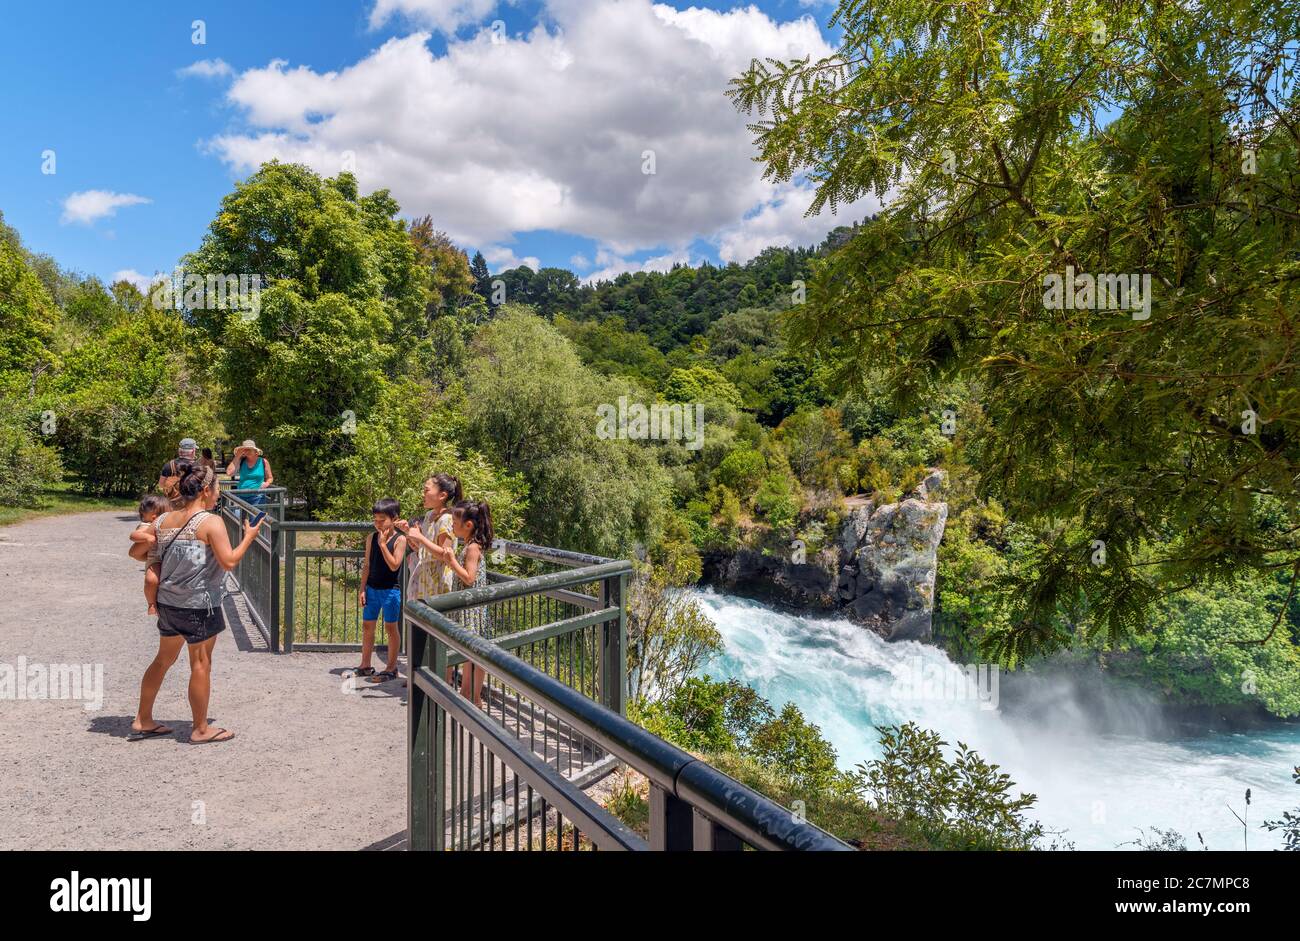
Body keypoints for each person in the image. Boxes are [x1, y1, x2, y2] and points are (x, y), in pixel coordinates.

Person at [127, 461, 265, 744]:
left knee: (163, 660)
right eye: (216, 488)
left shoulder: (163, 520)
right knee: (201, 663)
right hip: (200, 606)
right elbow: (228, 562)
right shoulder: (211, 522)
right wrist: (250, 536)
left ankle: (143, 719)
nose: (218, 493)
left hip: (168, 603)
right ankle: (201, 728)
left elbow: (137, 552)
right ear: (205, 490)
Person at [425, 499, 493, 705]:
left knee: (472, 651)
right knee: (470, 651)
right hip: (468, 605)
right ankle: (469, 694)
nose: (452, 526)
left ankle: (472, 696)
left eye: (455, 523)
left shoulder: (472, 548)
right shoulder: (470, 545)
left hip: (472, 608)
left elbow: (469, 578)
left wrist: (451, 561)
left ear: (468, 525)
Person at [355, 497, 407, 684]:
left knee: (390, 627)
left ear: (394, 518)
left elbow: (394, 565)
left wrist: (384, 545)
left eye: (382, 520)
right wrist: (362, 588)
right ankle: (365, 665)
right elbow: (367, 565)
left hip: (390, 591)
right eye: (375, 520)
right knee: (368, 625)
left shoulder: (400, 539)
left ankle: (392, 667)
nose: (378, 523)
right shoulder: (371, 537)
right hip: (372, 588)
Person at [128, 494, 171, 615]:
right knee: (151, 579)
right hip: (155, 559)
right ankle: (151, 603)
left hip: (168, 557)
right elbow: (133, 536)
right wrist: (147, 536)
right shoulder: (145, 526)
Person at [226, 439, 273, 515]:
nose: (246, 451)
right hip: (241, 496)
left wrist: (266, 483)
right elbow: (229, 473)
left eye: (249, 449)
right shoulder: (241, 461)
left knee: (255, 522)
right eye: (245, 449)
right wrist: (238, 456)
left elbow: (270, 478)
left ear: (255, 451)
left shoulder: (263, 461)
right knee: (239, 522)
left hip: (258, 496)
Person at [158, 438, 199, 510]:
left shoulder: (169, 465)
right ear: (193, 451)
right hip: (191, 507)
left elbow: (161, 484)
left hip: (172, 506)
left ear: (179, 451)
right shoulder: (198, 467)